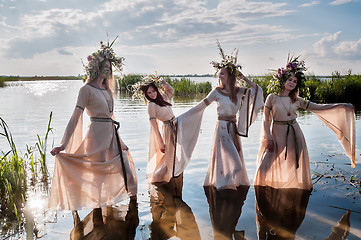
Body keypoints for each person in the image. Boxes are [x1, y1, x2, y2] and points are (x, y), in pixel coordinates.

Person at [48, 39, 138, 211]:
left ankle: (133, 212)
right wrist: (63, 144)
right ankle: (98, 216)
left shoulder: (108, 91)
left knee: (128, 175)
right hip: (96, 137)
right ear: (97, 67)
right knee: (98, 180)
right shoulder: (86, 90)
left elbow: (112, 118)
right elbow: (75, 118)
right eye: (106, 65)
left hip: (112, 137)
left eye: (111, 67)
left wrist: (122, 142)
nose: (109, 69)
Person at [254, 56, 356, 190]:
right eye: (289, 80)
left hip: (294, 135)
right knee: (264, 165)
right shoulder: (271, 97)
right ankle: (259, 190)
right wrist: (268, 138)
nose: (292, 83)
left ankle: (294, 191)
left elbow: (319, 107)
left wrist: (343, 105)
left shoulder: (297, 99)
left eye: (295, 81)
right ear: (283, 80)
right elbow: (265, 119)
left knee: (293, 165)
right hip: (277, 134)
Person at [132, 75, 184, 194]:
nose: (152, 94)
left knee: (176, 155)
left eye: (153, 91)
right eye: (149, 93)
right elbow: (154, 125)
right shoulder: (151, 106)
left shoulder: (163, 98)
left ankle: (174, 177)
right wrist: (160, 142)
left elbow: (171, 90)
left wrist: (163, 83)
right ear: (146, 95)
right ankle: (162, 179)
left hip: (175, 127)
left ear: (156, 89)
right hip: (167, 129)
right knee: (169, 156)